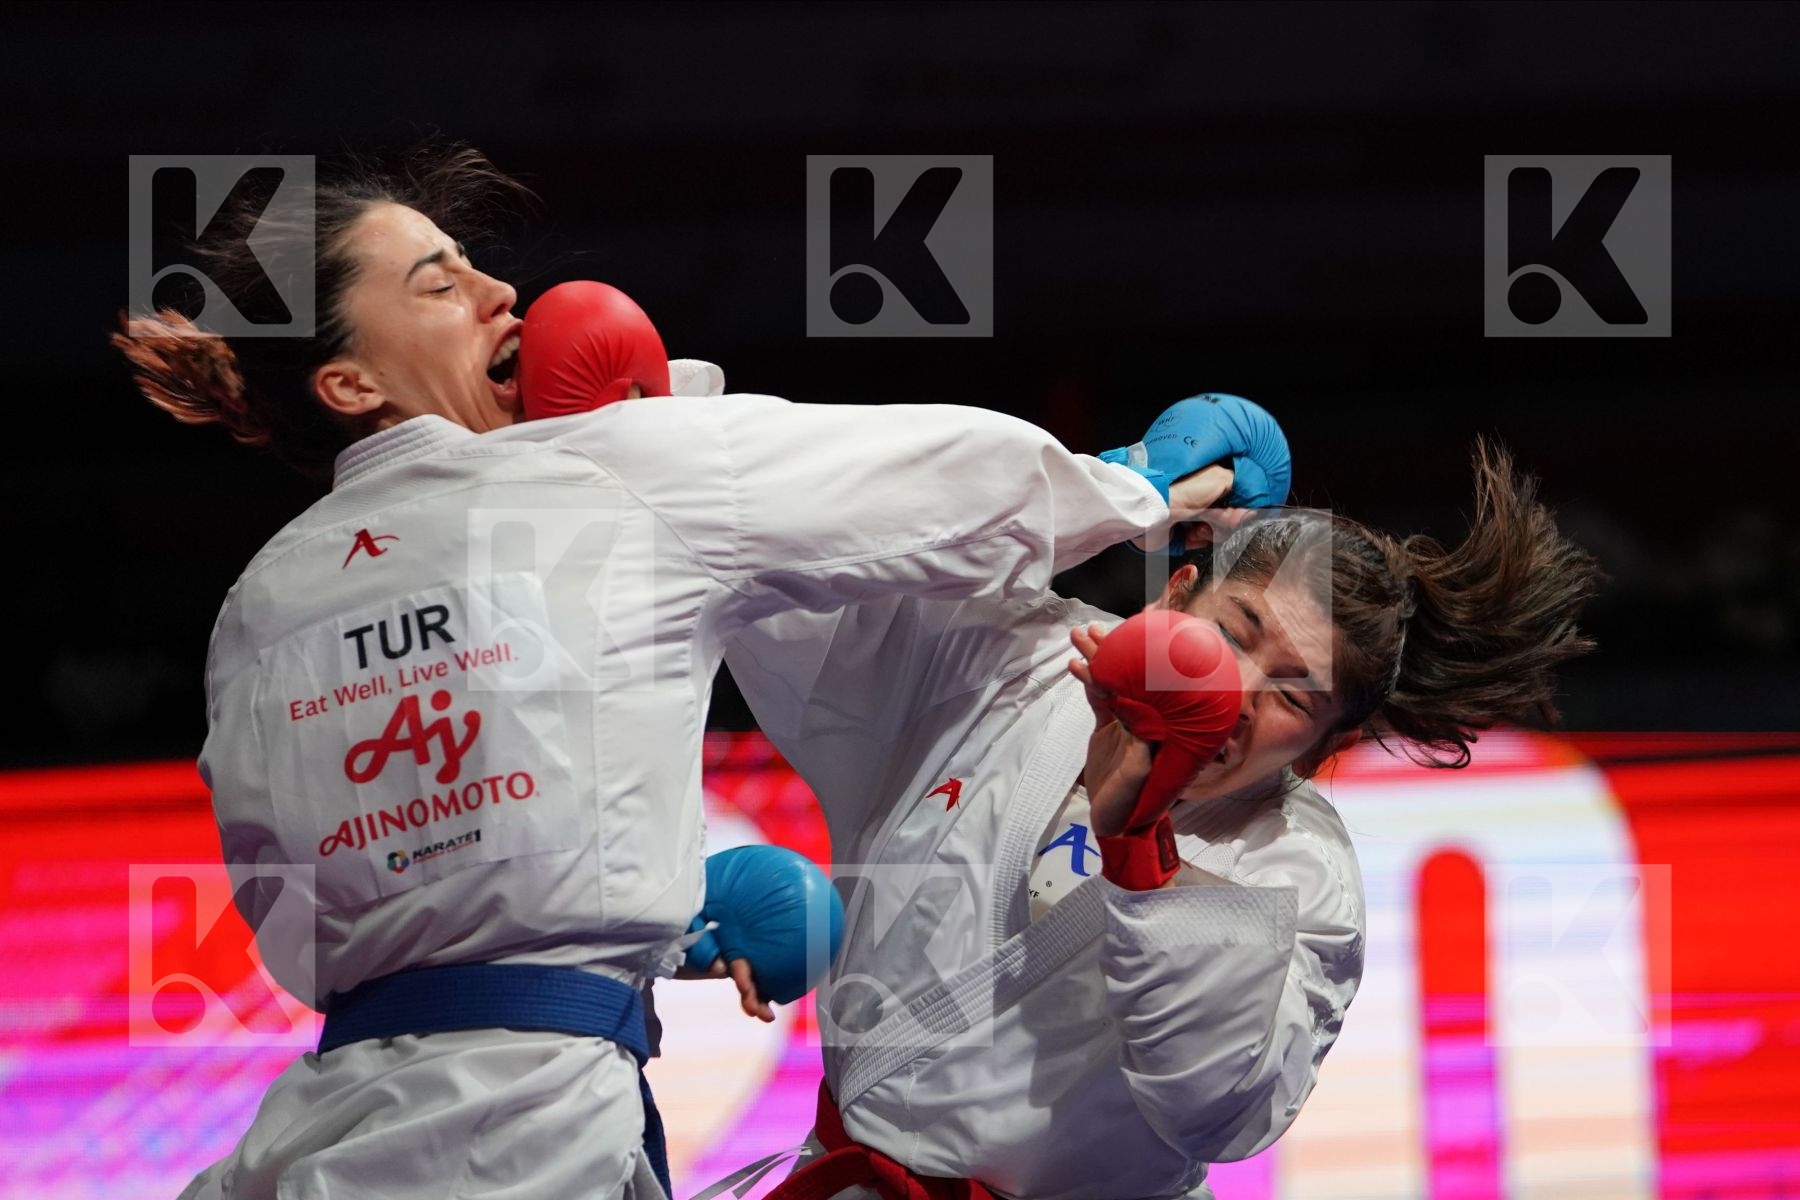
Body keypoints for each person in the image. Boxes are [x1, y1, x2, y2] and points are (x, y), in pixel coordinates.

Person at [110, 143, 1235, 1200]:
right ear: (350, 384)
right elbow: (920, 480)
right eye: (440, 284)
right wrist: (1132, 484)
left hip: (312, 1133)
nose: (504, 293)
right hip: (524, 1140)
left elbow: (306, 908)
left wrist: (662, 914)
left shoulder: (257, 599)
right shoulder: (606, 468)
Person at [709, 440, 1601, 1200]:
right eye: (1236, 629)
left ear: (1331, 740)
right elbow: (775, 549)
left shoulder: (1297, 867)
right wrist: (1094, 492)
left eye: (1295, 692)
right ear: (1174, 597)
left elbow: (1224, 1108)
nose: (1237, 693)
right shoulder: (1009, 661)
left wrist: (1142, 857)